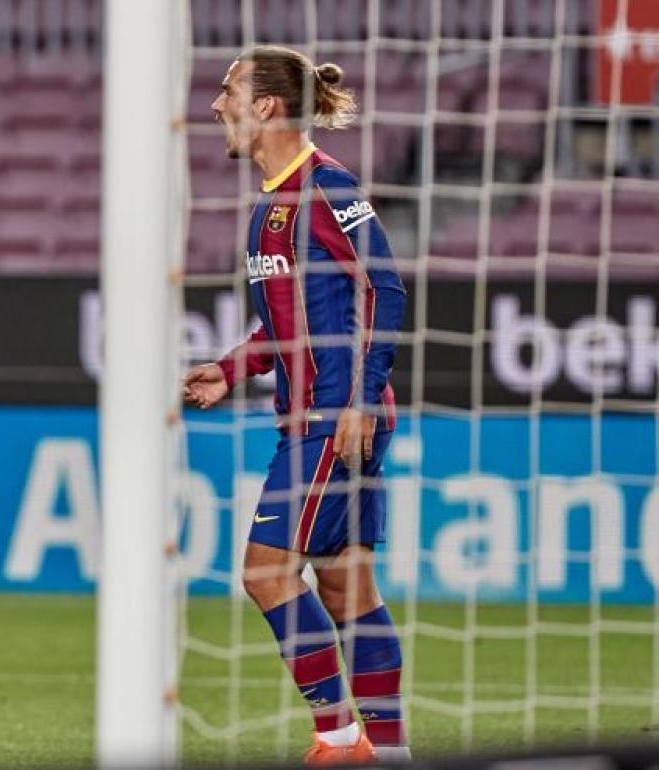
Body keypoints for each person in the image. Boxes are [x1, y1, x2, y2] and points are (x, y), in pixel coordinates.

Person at [183, 46, 409, 764]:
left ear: (267, 106)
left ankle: (340, 739)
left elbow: (386, 289)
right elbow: (288, 325)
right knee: (345, 588)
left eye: (229, 91)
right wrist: (230, 368)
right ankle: (391, 751)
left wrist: (360, 401)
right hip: (312, 415)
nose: (217, 103)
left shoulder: (327, 187)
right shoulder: (272, 203)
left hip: (334, 418)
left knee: (264, 572)